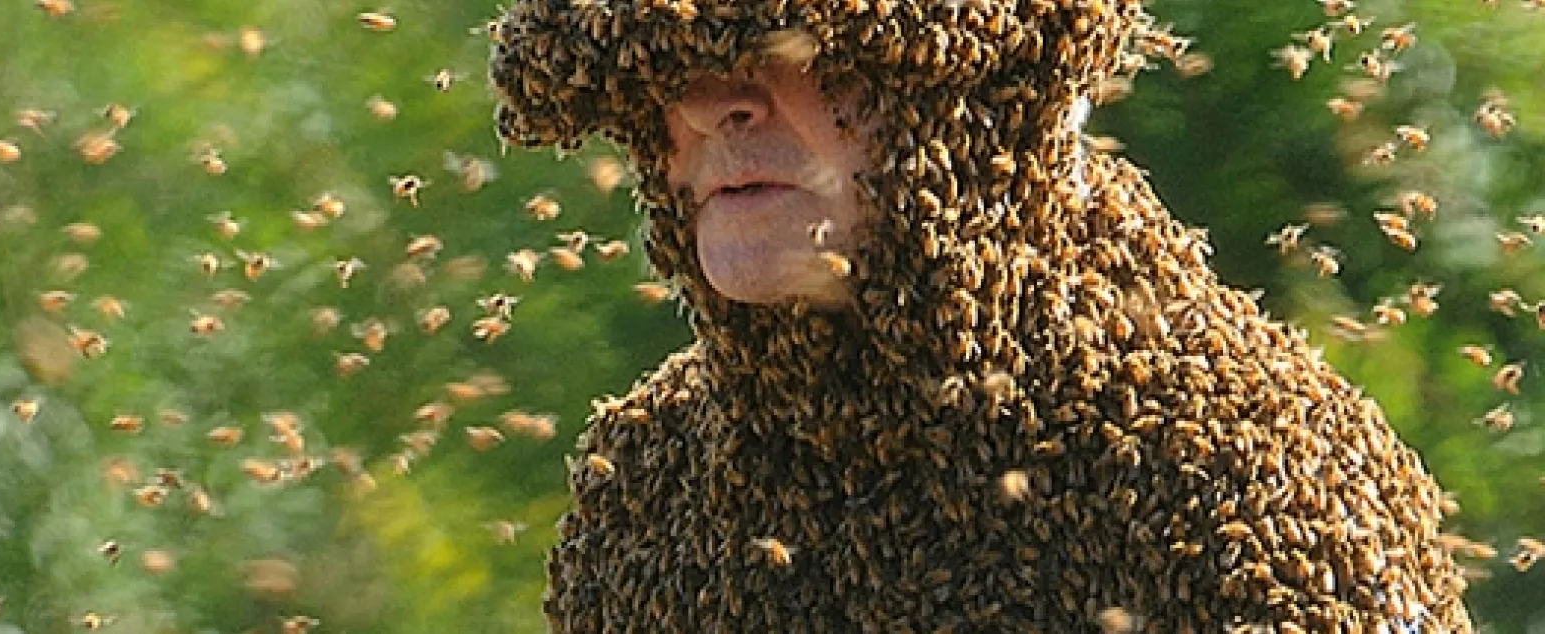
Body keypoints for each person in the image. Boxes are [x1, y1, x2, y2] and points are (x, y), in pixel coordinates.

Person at [489, 2, 1473, 633]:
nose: (711, 106)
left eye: (778, 49)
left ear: (978, 91)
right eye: (666, 66)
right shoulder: (645, 499)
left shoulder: (1235, 479)